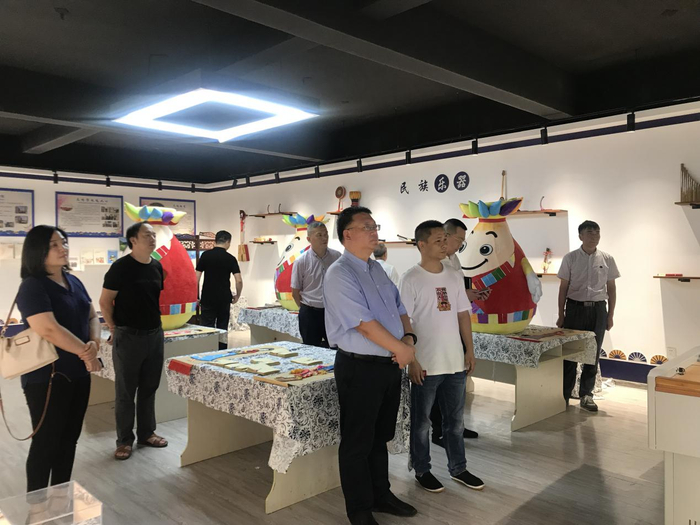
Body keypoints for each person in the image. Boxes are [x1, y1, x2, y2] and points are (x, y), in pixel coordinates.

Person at [324, 207, 417, 525]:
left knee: (380, 436)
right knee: (357, 442)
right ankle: (359, 509)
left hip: (389, 365)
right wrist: (402, 350)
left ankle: (381, 495)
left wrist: (408, 339)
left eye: (375, 225)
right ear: (347, 234)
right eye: (367, 226)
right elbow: (363, 324)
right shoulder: (339, 273)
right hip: (360, 368)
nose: (374, 231)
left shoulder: (377, 269)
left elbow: (399, 308)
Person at [15, 225, 101, 492]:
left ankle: (60, 497)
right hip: (47, 377)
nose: (63, 248)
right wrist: (86, 352)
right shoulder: (32, 286)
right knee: (46, 442)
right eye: (54, 244)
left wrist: (94, 344)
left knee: (69, 439)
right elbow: (48, 328)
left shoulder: (73, 281)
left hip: (78, 373)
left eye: (63, 242)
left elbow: (92, 315)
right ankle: (37, 505)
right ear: (38, 251)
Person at [399, 220, 484, 493]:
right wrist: (412, 360)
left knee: (455, 422)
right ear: (421, 244)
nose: (444, 245)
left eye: (445, 240)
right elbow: (404, 322)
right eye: (438, 240)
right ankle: (422, 470)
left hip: (454, 361)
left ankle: (458, 468)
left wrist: (469, 350)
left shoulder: (453, 275)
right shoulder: (411, 278)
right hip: (425, 363)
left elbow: (463, 315)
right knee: (421, 423)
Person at [99, 222, 168, 460]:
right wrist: (113, 328)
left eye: (153, 235)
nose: (152, 238)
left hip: (154, 335)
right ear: (133, 240)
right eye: (147, 235)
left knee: (149, 388)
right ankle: (124, 441)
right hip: (128, 336)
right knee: (126, 391)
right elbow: (105, 302)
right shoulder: (120, 268)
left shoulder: (156, 266)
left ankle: (147, 433)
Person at [429, 218, 489, 445]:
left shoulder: (454, 260)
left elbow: (456, 295)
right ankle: (439, 430)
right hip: (441, 330)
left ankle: (455, 426)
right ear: (445, 236)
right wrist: (463, 297)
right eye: (459, 240)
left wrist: (470, 295)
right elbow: (440, 300)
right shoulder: (434, 264)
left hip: (457, 327)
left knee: (456, 381)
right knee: (439, 382)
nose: (459, 245)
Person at [557, 220, 620, 412]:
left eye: (597, 232)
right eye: (590, 232)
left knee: (593, 353)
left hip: (598, 310)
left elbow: (611, 288)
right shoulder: (570, 258)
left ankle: (586, 395)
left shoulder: (607, 258)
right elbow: (563, 288)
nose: (594, 236)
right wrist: (561, 314)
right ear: (581, 236)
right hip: (574, 309)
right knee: (570, 353)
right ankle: (563, 396)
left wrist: (610, 315)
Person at [291, 221, 341, 347]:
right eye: (319, 235)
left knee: (335, 347)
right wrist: (304, 308)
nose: (324, 238)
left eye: (326, 234)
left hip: (331, 312)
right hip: (310, 313)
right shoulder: (301, 261)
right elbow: (295, 291)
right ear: (309, 239)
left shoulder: (337, 257)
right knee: (310, 349)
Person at [196, 230, 243, 349]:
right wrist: (237, 295)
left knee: (207, 327)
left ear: (215, 240)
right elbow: (238, 280)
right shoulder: (230, 258)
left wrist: (195, 296)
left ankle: (207, 350)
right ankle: (222, 351)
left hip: (207, 297)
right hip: (224, 298)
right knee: (222, 328)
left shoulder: (205, 255)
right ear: (227, 242)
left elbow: (196, 278)